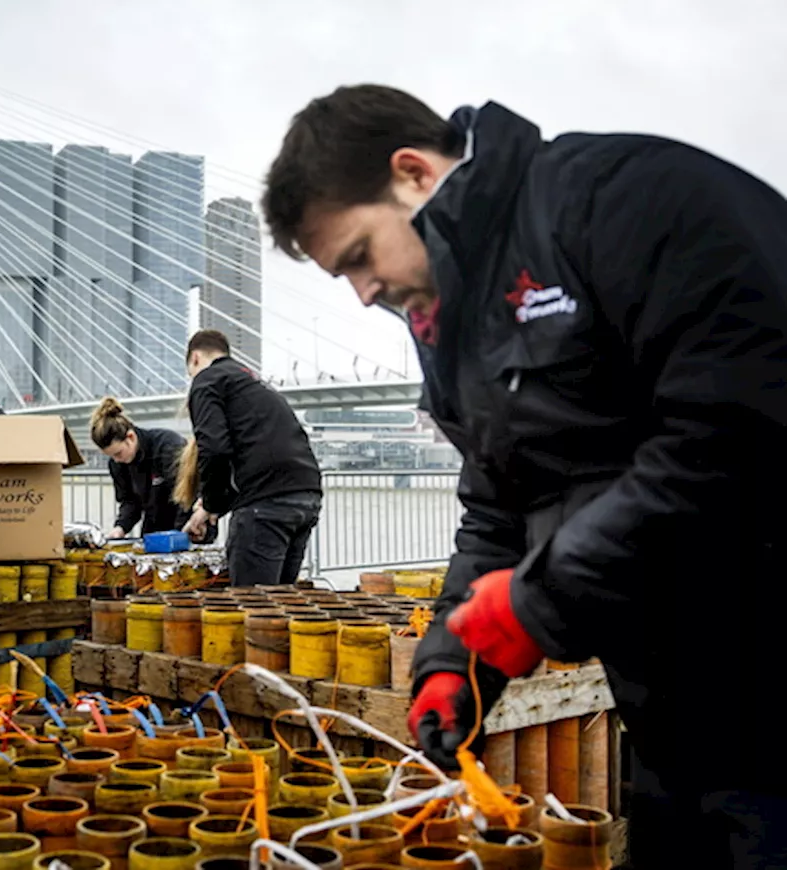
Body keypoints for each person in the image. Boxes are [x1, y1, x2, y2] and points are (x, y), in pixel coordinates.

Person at [261, 84, 788, 867]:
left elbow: (736, 430)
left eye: (361, 257)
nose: (365, 292)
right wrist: (454, 661)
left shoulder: (616, 198)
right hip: (672, 703)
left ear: (412, 173)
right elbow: (497, 507)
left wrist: (541, 600)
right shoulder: (452, 324)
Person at [182, 329, 322, 586]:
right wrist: (211, 508)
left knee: (254, 608)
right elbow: (256, 453)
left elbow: (214, 449)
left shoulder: (207, 380)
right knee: (281, 606)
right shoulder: (253, 382)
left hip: (267, 505)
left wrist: (211, 504)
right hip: (306, 495)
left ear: (195, 359)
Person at [89, 396, 197, 539]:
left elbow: (187, 494)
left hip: (189, 525)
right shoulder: (117, 464)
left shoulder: (168, 446)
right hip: (153, 530)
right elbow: (129, 501)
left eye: (118, 453)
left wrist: (180, 534)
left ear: (131, 437)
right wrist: (120, 528)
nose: (117, 460)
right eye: (111, 456)